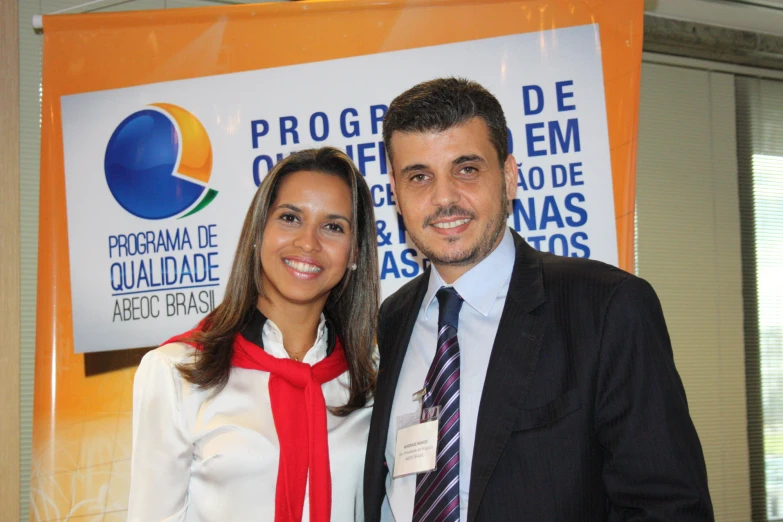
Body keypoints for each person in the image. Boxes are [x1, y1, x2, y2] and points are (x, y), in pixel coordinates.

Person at [364, 78, 714, 521]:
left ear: (509, 176)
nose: (444, 198)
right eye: (419, 177)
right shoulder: (393, 319)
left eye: (467, 169)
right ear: (395, 191)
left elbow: (670, 508)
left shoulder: (607, 307)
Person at [129, 147, 379, 522]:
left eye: (333, 226)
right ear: (258, 232)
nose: (308, 243)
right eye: (291, 217)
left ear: (354, 252)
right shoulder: (177, 372)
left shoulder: (371, 378)